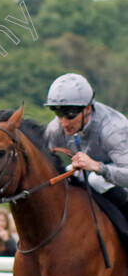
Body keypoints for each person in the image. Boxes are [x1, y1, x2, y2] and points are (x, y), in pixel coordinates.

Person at [43, 73, 128, 214]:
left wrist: (97, 167)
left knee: (96, 179)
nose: (63, 123)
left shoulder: (112, 130)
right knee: (67, 175)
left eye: (70, 115)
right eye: (58, 114)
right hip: (102, 175)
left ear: (88, 108)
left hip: (122, 177)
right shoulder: (55, 129)